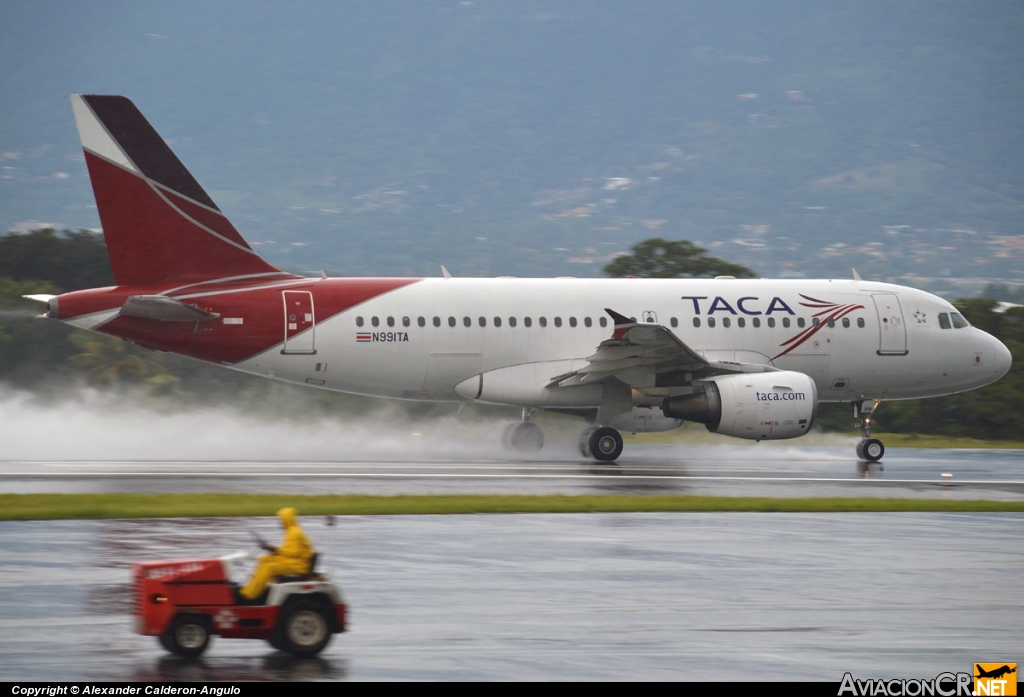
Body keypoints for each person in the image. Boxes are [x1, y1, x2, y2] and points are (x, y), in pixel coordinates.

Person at [239, 507, 315, 601]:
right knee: (264, 559)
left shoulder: (296, 533)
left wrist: (276, 550)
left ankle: (251, 595)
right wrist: (274, 550)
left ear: (287, 519)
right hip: (292, 561)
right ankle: (253, 588)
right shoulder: (290, 531)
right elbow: (289, 551)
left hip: (298, 566)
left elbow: (294, 553)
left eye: (281, 519)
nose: (280, 522)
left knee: (269, 568)